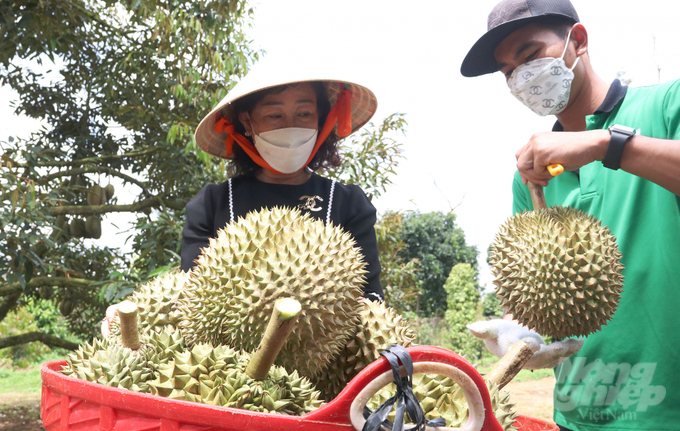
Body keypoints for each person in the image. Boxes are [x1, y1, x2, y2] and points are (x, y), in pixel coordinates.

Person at [461, 1, 680, 430]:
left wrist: (607, 145)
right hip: (578, 415)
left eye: (529, 55)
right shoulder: (532, 177)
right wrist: (518, 331)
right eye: (507, 72)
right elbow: (532, 290)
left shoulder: (665, 106)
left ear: (577, 41)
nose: (520, 77)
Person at [102, 62, 384, 337]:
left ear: (321, 118)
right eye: (275, 116)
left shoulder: (349, 203)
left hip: (326, 364)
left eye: (304, 114)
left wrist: (350, 315)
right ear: (247, 122)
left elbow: (371, 298)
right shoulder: (213, 203)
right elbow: (190, 295)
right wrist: (130, 319)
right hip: (228, 368)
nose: (290, 126)